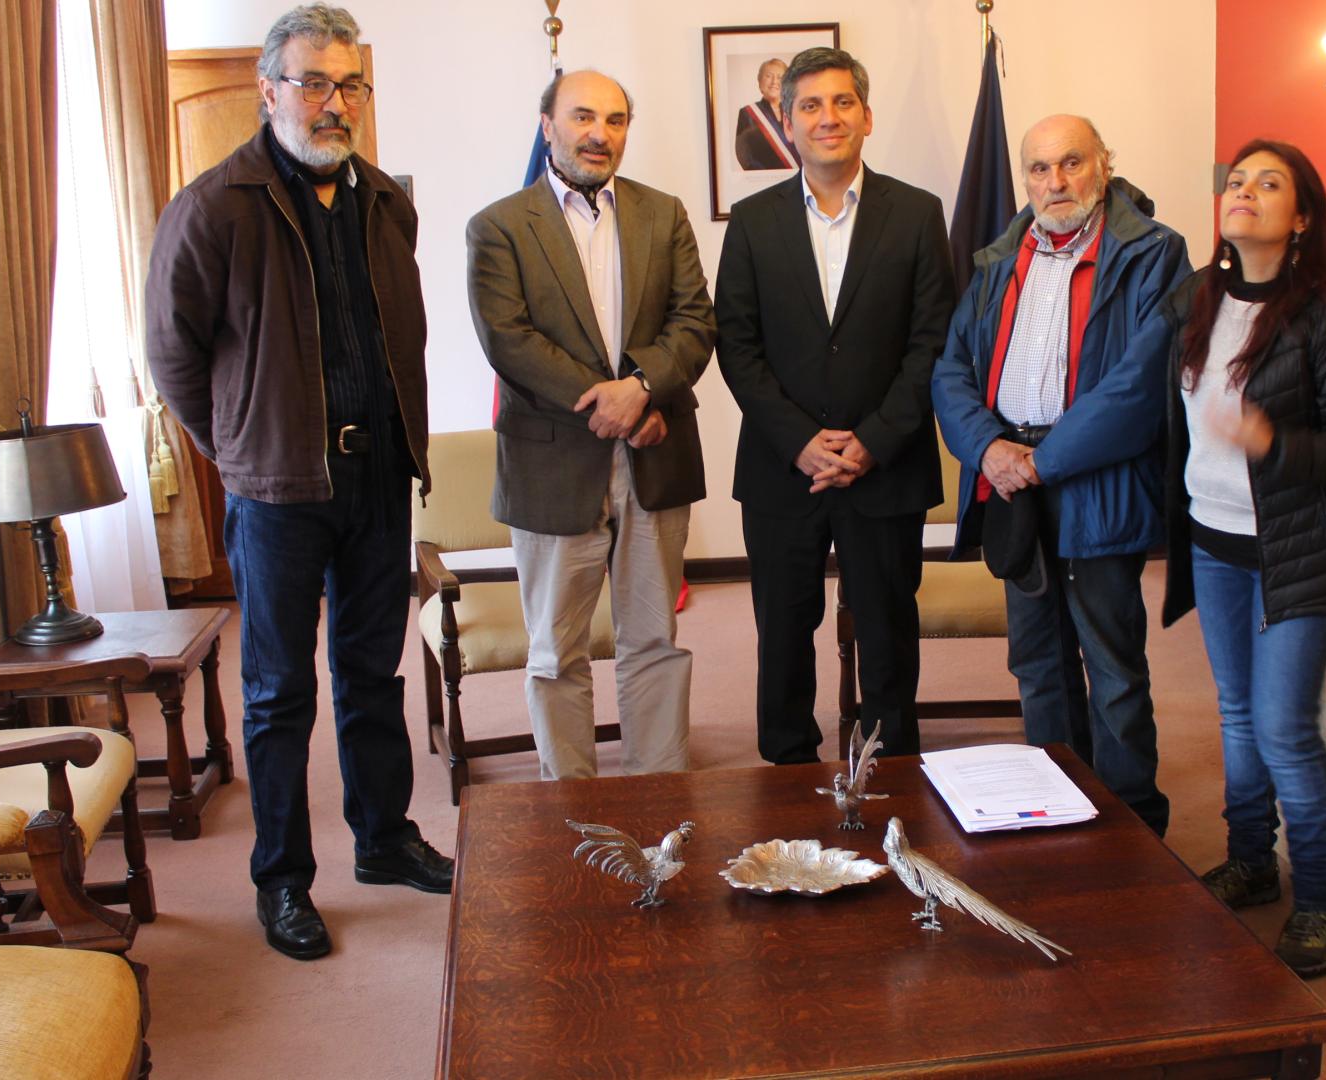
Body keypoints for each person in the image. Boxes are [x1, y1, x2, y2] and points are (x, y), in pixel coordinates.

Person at [145, 3, 452, 962]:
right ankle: (283, 881)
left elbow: (402, 332)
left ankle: (383, 837)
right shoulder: (213, 205)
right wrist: (238, 448)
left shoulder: (383, 199)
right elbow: (173, 356)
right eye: (314, 82)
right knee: (279, 694)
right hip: (275, 493)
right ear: (269, 90)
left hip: (375, 480)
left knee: (372, 674)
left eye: (350, 83)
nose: (334, 103)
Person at [1160, 138, 1326, 979]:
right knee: (1232, 710)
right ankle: (1251, 860)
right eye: (1235, 181)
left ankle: (1321, 902)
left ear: (1302, 218)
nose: (1245, 193)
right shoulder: (1202, 295)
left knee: (1284, 727)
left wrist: (1272, 442)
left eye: (1269, 184)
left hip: (1299, 549)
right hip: (1213, 539)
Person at [932, 116, 1189, 836]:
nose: (1055, 182)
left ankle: (1135, 828)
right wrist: (988, 450)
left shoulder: (1152, 255)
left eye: (1071, 163)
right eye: (1039, 169)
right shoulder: (998, 259)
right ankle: (1061, 816)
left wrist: (1044, 460)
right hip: (1012, 479)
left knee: (1111, 667)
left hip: (1092, 478)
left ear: (1103, 165)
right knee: (1037, 662)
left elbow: (1140, 385)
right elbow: (952, 369)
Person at [467, 70, 715, 781]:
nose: (598, 133)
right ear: (547, 124)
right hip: (552, 467)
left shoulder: (662, 214)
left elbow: (695, 321)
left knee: (655, 639)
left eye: (614, 120)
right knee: (555, 651)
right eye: (581, 116)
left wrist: (640, 389)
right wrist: (610, 404)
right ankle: (570, 805)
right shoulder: (499, 226)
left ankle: (657, 792)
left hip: (654, 458)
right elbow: (509, 340)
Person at [716, 47, 954, 764]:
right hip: (782, 469)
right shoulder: (753, 222)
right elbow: (738, 344)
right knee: (783, 631)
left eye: (843, 102)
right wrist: (800, 441)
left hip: (885, 466)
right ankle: (788, 765)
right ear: (786, 123)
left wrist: (871, 442)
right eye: (811, 106)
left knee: (886, 630)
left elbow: (931, 343)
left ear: (867, 116)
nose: (828, 118)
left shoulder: (916, 214)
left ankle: (889, 764)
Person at [733, 58, 798, 171]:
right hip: (763, 180)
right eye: (768, 76)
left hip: (794, 180)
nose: (774, 81)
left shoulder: (795, 111)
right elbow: (744, 154)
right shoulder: (747, 113)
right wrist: (767, 176)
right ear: (760, 82)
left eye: (780, 77)